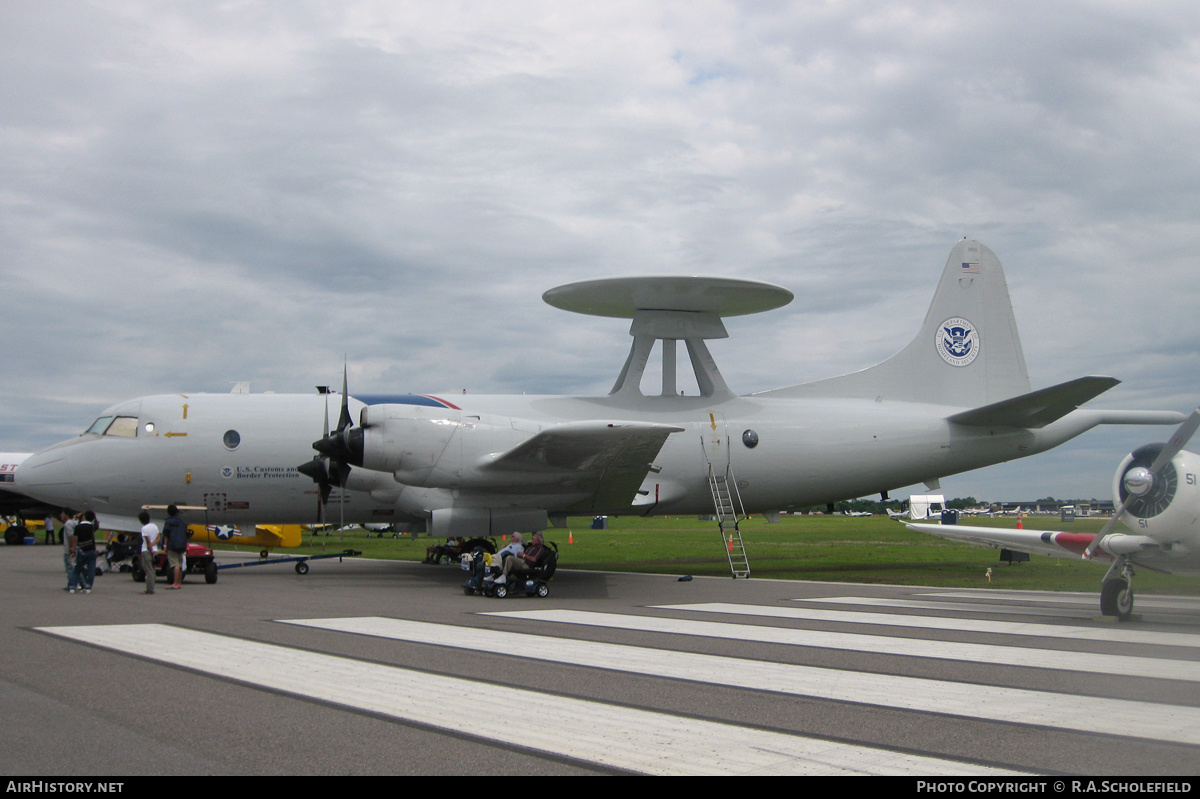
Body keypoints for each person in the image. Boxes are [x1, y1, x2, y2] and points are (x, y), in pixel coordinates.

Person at [68, 511, 98, 594]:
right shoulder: (92, 527)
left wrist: (73, 550)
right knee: (91, 570)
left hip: (81, 550)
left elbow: (75, 539)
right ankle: (88, 587)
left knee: (77, 569)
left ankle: (72, 587)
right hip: (91, 550)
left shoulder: (78, 527)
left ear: (84, 517)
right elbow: (97, 524)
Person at [162, 505, 189, 589]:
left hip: (173, 544)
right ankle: (179, 582)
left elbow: (166, 534)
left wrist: (165, 545)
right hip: (181, 544)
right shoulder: (182, 521)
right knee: (180, 564)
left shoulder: (169, 522)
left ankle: (175, 583)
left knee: (175, 564)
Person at [137, 510, 159, 595]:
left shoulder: (144, 528)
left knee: (148, 569)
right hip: (154, 549)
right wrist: (153, 545)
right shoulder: (154, 526)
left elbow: (147, 540)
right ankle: (152, 586)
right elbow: (158, 538)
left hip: (147, 550)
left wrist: (150, 547)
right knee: (152, 569)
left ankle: (149, 589)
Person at [59, 510, 77, 591]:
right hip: (71, 549)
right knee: (73, 567)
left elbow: (71, 536)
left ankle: (71, 584)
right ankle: (77, 584)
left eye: (62, 513)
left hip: (68, 550)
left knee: (70, 568)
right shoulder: (73, 522)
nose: (61, 515)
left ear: (66, 514)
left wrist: (71, 548)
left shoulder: (68, 524)